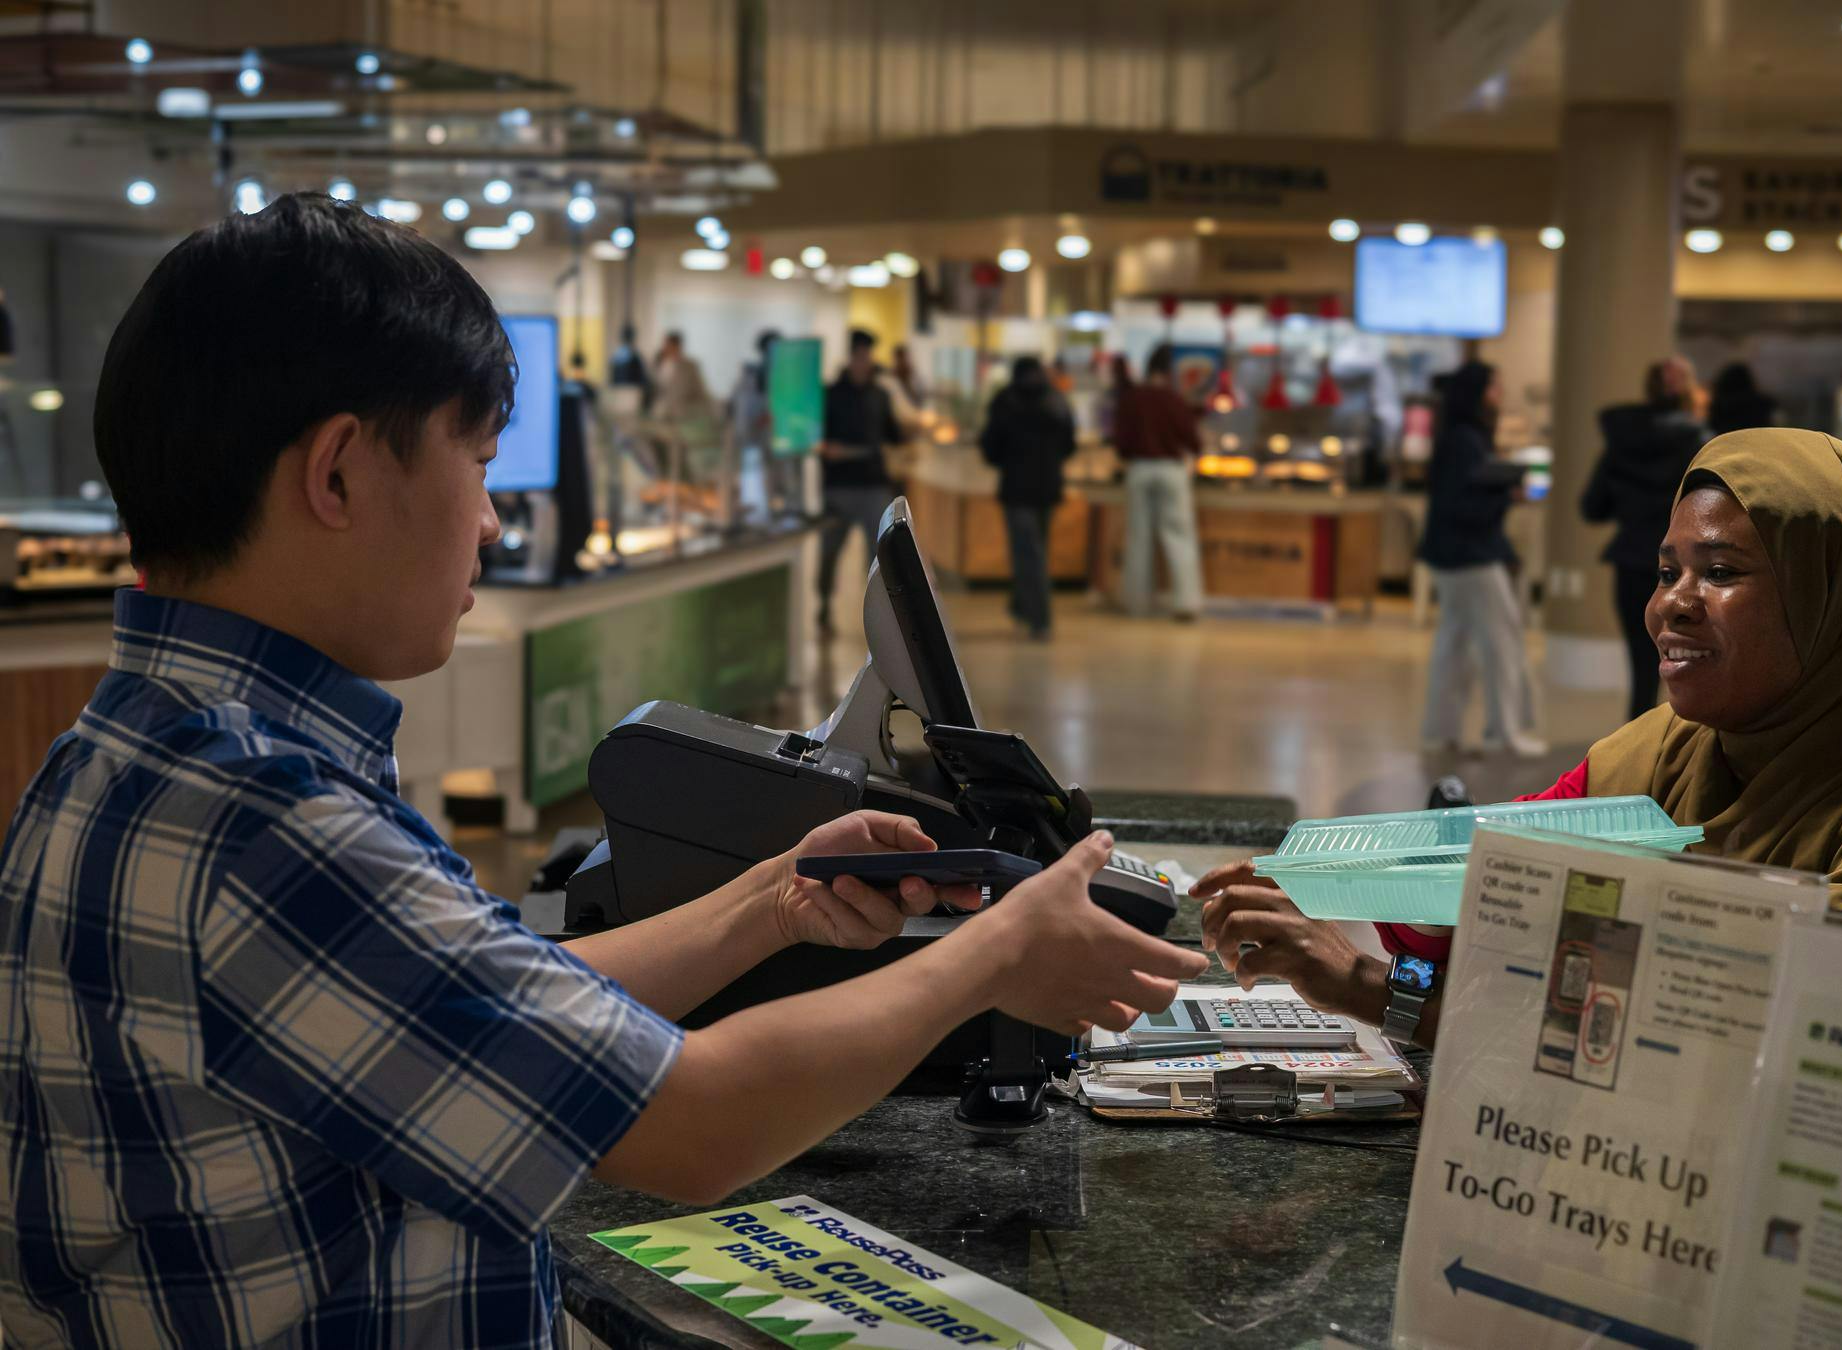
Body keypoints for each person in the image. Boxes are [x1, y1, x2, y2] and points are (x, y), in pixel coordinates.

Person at [0, 195, 1207, 1347]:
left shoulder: (128, 755)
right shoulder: (272, 824)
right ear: (338, 475)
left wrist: (772, 902)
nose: (489, 523)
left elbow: (496, 1006)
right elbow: (692, 1125)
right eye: (477, 464)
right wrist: (989, 956)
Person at [1194, 429, 1842, 1051]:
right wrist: (1344, 881)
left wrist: (1366, 984)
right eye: (1668, 571)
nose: (1670, 605)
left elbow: (1689, 1053)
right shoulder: (1667, 752)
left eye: (1721, 572)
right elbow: (1488, 889)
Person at [1416, 361, 1543, 758]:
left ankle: (1441, 733)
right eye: (1493, 388)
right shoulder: (1467, 441)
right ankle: (1504, 733)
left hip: (1450, 555)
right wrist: (1506, 496)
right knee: (1500, 643)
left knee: (1453, 645)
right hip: (1471, 556)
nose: (1499, 395)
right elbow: (1464, 504)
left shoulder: (1455, 436)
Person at [1583, 356, 1710, 722]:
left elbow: (1593, 507)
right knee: (1691, 659)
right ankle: (1685, 743)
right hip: (1682, 566)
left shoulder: (1620, 441)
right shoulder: (1697, 441)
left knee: (1642, 662)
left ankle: (1638, 743)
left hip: (1632, 558)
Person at [816, 328, 909, 633]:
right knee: (830, 551)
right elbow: (817, 438)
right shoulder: (830, 394)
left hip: (873, 484)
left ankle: (880, 616)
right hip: (839, 486)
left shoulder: (880, 396)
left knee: (877, 557)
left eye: (866, 356)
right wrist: (827, 450)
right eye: (858, 356)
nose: (863, 362)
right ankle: (824, 607)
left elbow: (894, 435)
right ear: (851, 358)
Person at [979, 356, 1077, 639]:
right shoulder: (1056, 400)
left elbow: (991, 446)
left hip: (1017, 487)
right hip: (1048, 486)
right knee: (1035, 550)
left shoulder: (1006, 401)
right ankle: (1024, 607)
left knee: (1027, 552)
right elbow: (1069, 444)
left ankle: (1039, 617)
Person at [1113, 345, 1204, 620]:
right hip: (1171, 469)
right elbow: (1193, 441)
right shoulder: (1174, 399)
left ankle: (1136, 602)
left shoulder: (1132, 398)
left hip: (1139, 468)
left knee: (1138, 537)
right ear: (1169, 371)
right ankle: (1186, 603)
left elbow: (1120, 441)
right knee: (1178, 535)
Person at [651, 328, 711, 422]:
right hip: (660, 414)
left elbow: (701, 393)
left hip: (682, 416)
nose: (665, 348)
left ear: (677, 346)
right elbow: (657, 389)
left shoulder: (690, 367)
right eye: (664, 345)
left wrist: (699, 413)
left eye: (668, 345)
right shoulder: (660, 364)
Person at [1705, 361, 1777, 437]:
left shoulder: (1720, 406)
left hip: (1728, 442)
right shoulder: (1764, 403)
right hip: (1759, 440)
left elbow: (1713, 427)